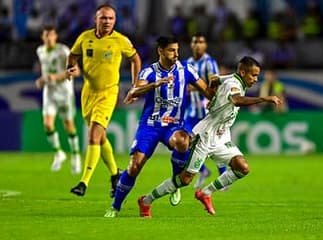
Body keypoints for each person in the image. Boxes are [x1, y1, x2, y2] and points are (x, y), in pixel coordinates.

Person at [136, 56, 282, 217]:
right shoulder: (234, 84)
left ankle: (205, 193)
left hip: (221, 137)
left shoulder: (234, 79)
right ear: (242, 72)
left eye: (257, 75)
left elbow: (214, 78)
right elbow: (236, 100)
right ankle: (146, 200)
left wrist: (213, 92)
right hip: (204, 136)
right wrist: (263, 98)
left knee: (242, 167)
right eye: (253, 75)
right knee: (184, 180)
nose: (255, 79)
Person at [104, 36, 215, 218]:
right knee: (134, 166)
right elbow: (133, 91)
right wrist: (154, 85)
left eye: (177, 50)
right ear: (160, 51)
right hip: (150, 125)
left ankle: (174, 182)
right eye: (172, 50)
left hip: (173, 125)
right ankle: (115, 206)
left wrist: (220, 92)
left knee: (182, 140)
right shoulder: (149, 72)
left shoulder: (186, 69)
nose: (176, 54)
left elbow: (207, 91)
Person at [67, 4, 142, 198]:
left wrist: (135, 84)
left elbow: (135, 59)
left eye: (110, 18)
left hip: (108, 94)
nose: (107, 21)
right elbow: (73, 55)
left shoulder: (120, 40)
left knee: (93, 136)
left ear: (115, 21)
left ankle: (84, 182)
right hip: (88, 93)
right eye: (103, 18)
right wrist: (71, 68)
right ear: (96, 19)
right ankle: (116, 174)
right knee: (100, 138)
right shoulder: (85, 38)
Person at [169, 33, 226, 206]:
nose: (198, 45)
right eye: (195, 42)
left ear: (205, 45)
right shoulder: (187, 63)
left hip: (206, 112)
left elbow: (213, 85)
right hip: (191, 112)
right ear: (191, 44)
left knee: (214, 143)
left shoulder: (209, 63)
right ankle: (203, 170)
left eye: (201, 42)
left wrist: (192, 88)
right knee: (185, 144)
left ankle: (222, 175)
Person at [35, 25, 81, 174]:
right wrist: (43, 80)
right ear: (43, 37)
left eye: (51, 35)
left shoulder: (63, 51)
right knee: (47, 124)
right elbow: (46, 71)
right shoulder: (40, 51)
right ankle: (59, 153)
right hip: (49, 92)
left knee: (69, 125)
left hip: (65, 92)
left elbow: (76, 71)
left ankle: (75, 155)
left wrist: (55, 77)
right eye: (46, 35)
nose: (49, 38)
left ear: (56, 36)